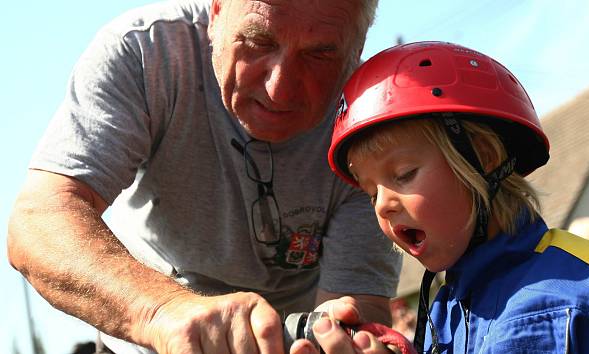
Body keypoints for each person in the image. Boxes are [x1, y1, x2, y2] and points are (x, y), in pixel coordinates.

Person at [7, 1, 403, 353]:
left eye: (319, 54)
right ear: (215, 14)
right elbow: (39, 221)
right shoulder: (148, 54)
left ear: (357, 47)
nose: (279, 89)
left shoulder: (374, 121)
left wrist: (346, 335)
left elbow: (356, 299)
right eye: (258, 41)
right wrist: (163, 312)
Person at [325, 41, 589, 353]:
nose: (383, 206)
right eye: (371, 194)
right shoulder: (449, 305)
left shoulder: (551, 307)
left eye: (404, 174)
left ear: (483, 158)